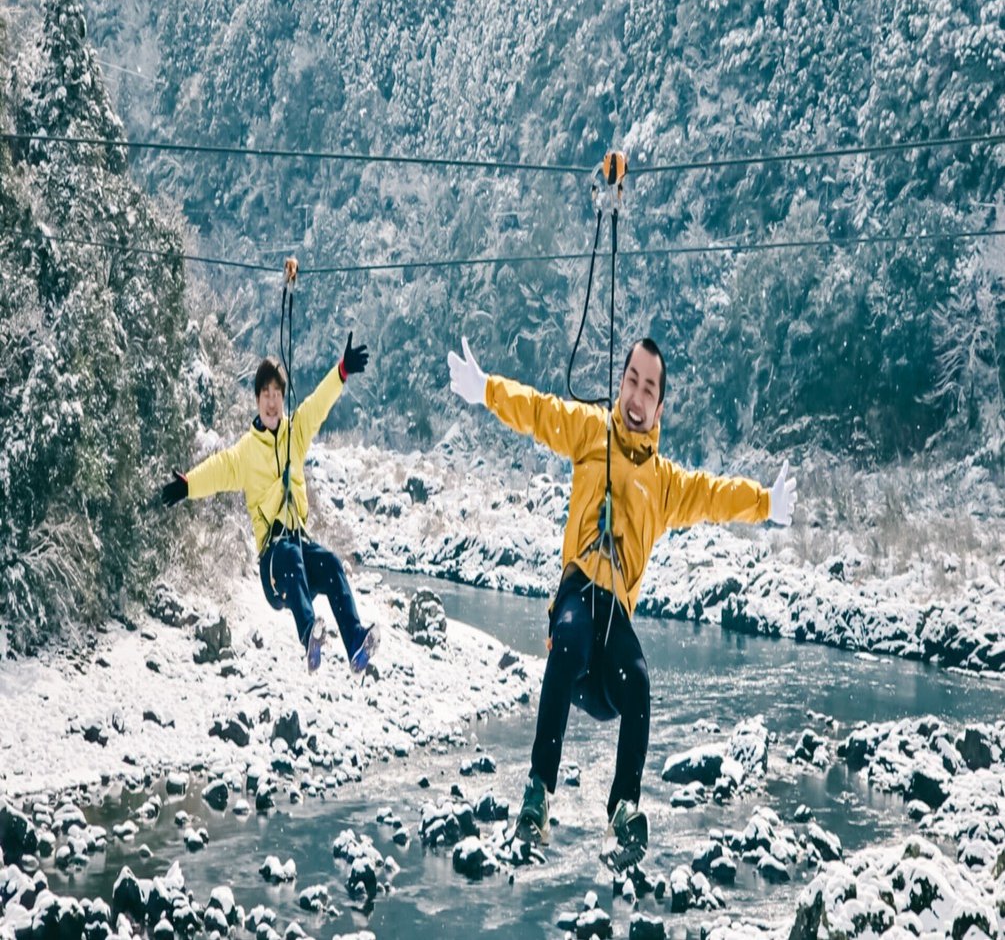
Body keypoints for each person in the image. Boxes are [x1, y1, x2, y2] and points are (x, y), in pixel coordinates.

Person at [447, 336, 796, 865]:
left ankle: (624, 807)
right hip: (576, 602)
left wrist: (765, 503)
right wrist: (486, 391)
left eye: (648, 387)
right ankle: (538, 795)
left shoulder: (666, 483)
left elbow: (715, 495)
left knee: (639, 681)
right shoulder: (591, 433)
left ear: (660, 405)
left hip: (613, 637)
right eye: (631, 380)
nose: (636, 394)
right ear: (621, 383)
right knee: (566, 642)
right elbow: (539, 412)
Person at [160, 288, 378, 676]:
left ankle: (356, 643)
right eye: (266, 395)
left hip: (300, 546)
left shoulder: (296, 434)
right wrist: (187, 485)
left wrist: (341, 371)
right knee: (291, 557)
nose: (273, 402)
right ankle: (309, 633)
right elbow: (218, 468)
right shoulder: (247, 451)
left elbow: (317, 404)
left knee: (329, 563)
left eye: (277, 394)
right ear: (257, 401)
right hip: (274, 564)